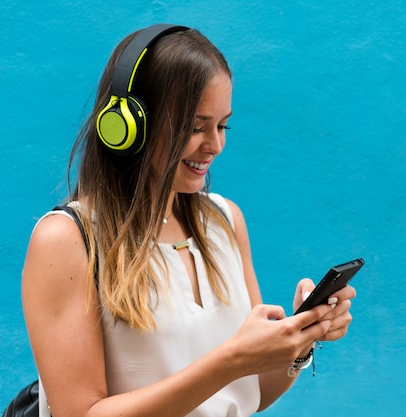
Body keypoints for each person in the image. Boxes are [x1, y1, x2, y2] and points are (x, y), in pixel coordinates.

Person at [21, 24, 356, 417]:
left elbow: (254, 392)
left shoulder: (226, 222)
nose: (214, 145)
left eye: (222, 125)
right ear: (127, 126)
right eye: (195, 127)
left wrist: (299, 338)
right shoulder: (67, 240)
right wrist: (229, 360)